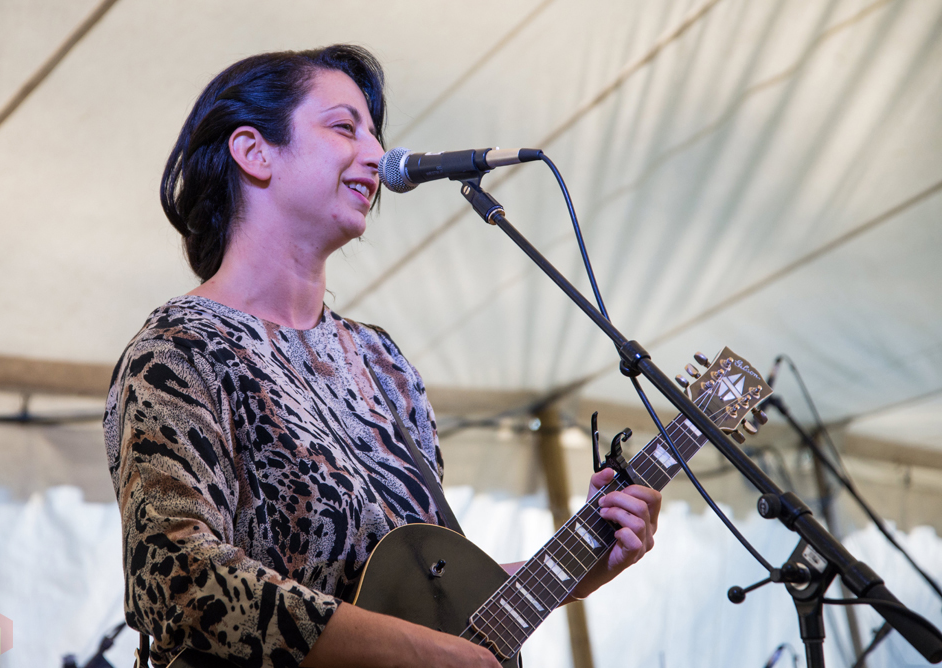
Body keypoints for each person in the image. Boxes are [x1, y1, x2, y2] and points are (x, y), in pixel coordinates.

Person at [104, 45, 662, 668]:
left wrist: (579, 563)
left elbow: (429, 603)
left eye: (375, 134)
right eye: (345, 127)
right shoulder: (179, 351)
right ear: (254, 152)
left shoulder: (382, 363)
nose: (376, 154)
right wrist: (422, 652)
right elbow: (176, 581)